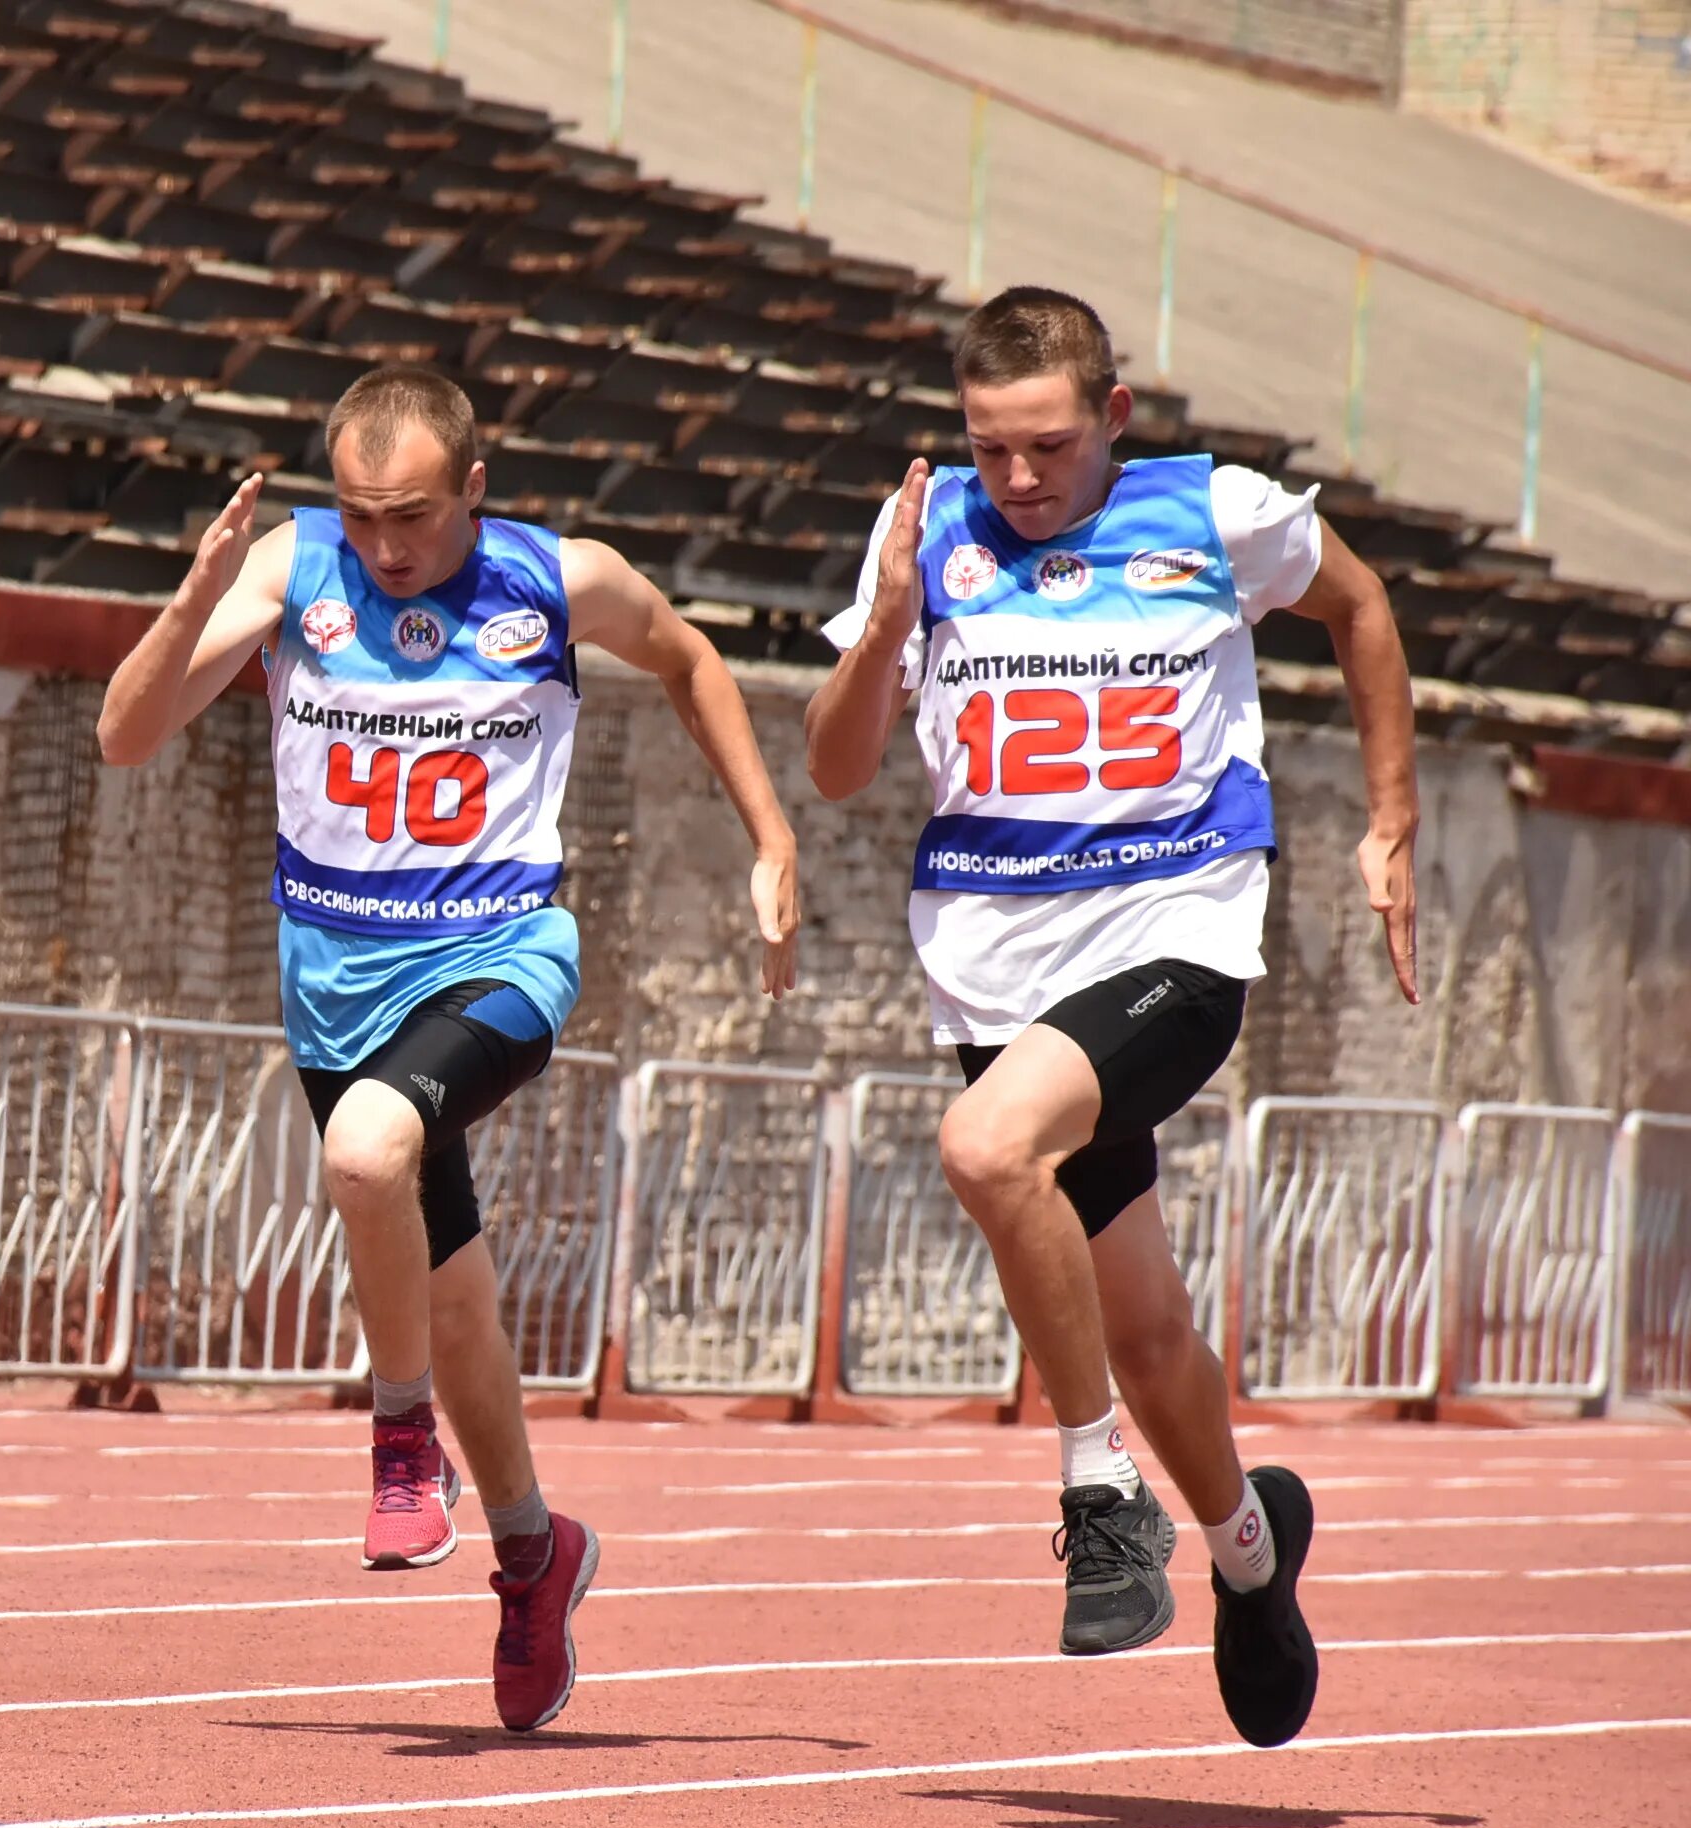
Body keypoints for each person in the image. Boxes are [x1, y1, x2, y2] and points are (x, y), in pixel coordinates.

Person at [100, 365, 801, 1732]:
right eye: (362, 517)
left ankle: (399, 1436)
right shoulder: (292, 570)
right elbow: (125, 736)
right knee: (462, 1298)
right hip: (337, 986)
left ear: (473, 489)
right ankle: (537, 1554)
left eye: (412, 515)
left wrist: (772, 842)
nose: (386, 548)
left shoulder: (556, 581)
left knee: (370, 1151)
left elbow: (689, 657)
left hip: (499, 960)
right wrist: (197, 605)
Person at [804, 287, 1419, 1748]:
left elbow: (1363, 607)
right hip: (996, 972)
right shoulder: (927, 538)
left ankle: (1100, 1494)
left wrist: (1391, 820)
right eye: (990, 447)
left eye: (1050, 447)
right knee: (1148, 1336)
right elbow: (837, 770)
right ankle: (1252, 1557)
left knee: (983, 1143)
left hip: (1176, 939)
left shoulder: (1215, 513)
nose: (1018, 479)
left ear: (1116, 420)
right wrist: (884, 622)